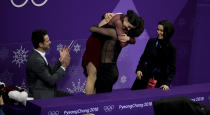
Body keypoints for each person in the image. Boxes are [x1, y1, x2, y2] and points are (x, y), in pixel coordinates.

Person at [82, 10, 144, 94]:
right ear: (126, 19)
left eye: (130, 28)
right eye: (128, 26)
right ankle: (91, 105)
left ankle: (91, 106)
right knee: (93, 78)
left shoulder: (114, 31)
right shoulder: (118, 24)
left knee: (92, 78)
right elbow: (125, 41)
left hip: (107, 72)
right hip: (96, 48)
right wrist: (129, 39)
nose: (127, 29)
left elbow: (92, 28)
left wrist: (128, 39)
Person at [131, 20, 176, 91]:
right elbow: (143, 58)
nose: (158, 32)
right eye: (158, 29)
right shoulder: (151, 42)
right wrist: (139, 69)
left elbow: (172, 70)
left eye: (161, 31)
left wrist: (167, 83)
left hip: (160, 82)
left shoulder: (172, 48)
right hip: (144, 77)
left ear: (168, 32)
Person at [26, 29, 71, 99]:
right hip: (42, 97)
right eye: (47, 41)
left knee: (71, 98)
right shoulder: (36, 60)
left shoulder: (38, 55)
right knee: (71, 100)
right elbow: (51, 81)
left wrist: (61, 60)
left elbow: (49, 74)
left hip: (48, 92)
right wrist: (64, 66)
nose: (50, 42)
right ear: (40, 44)